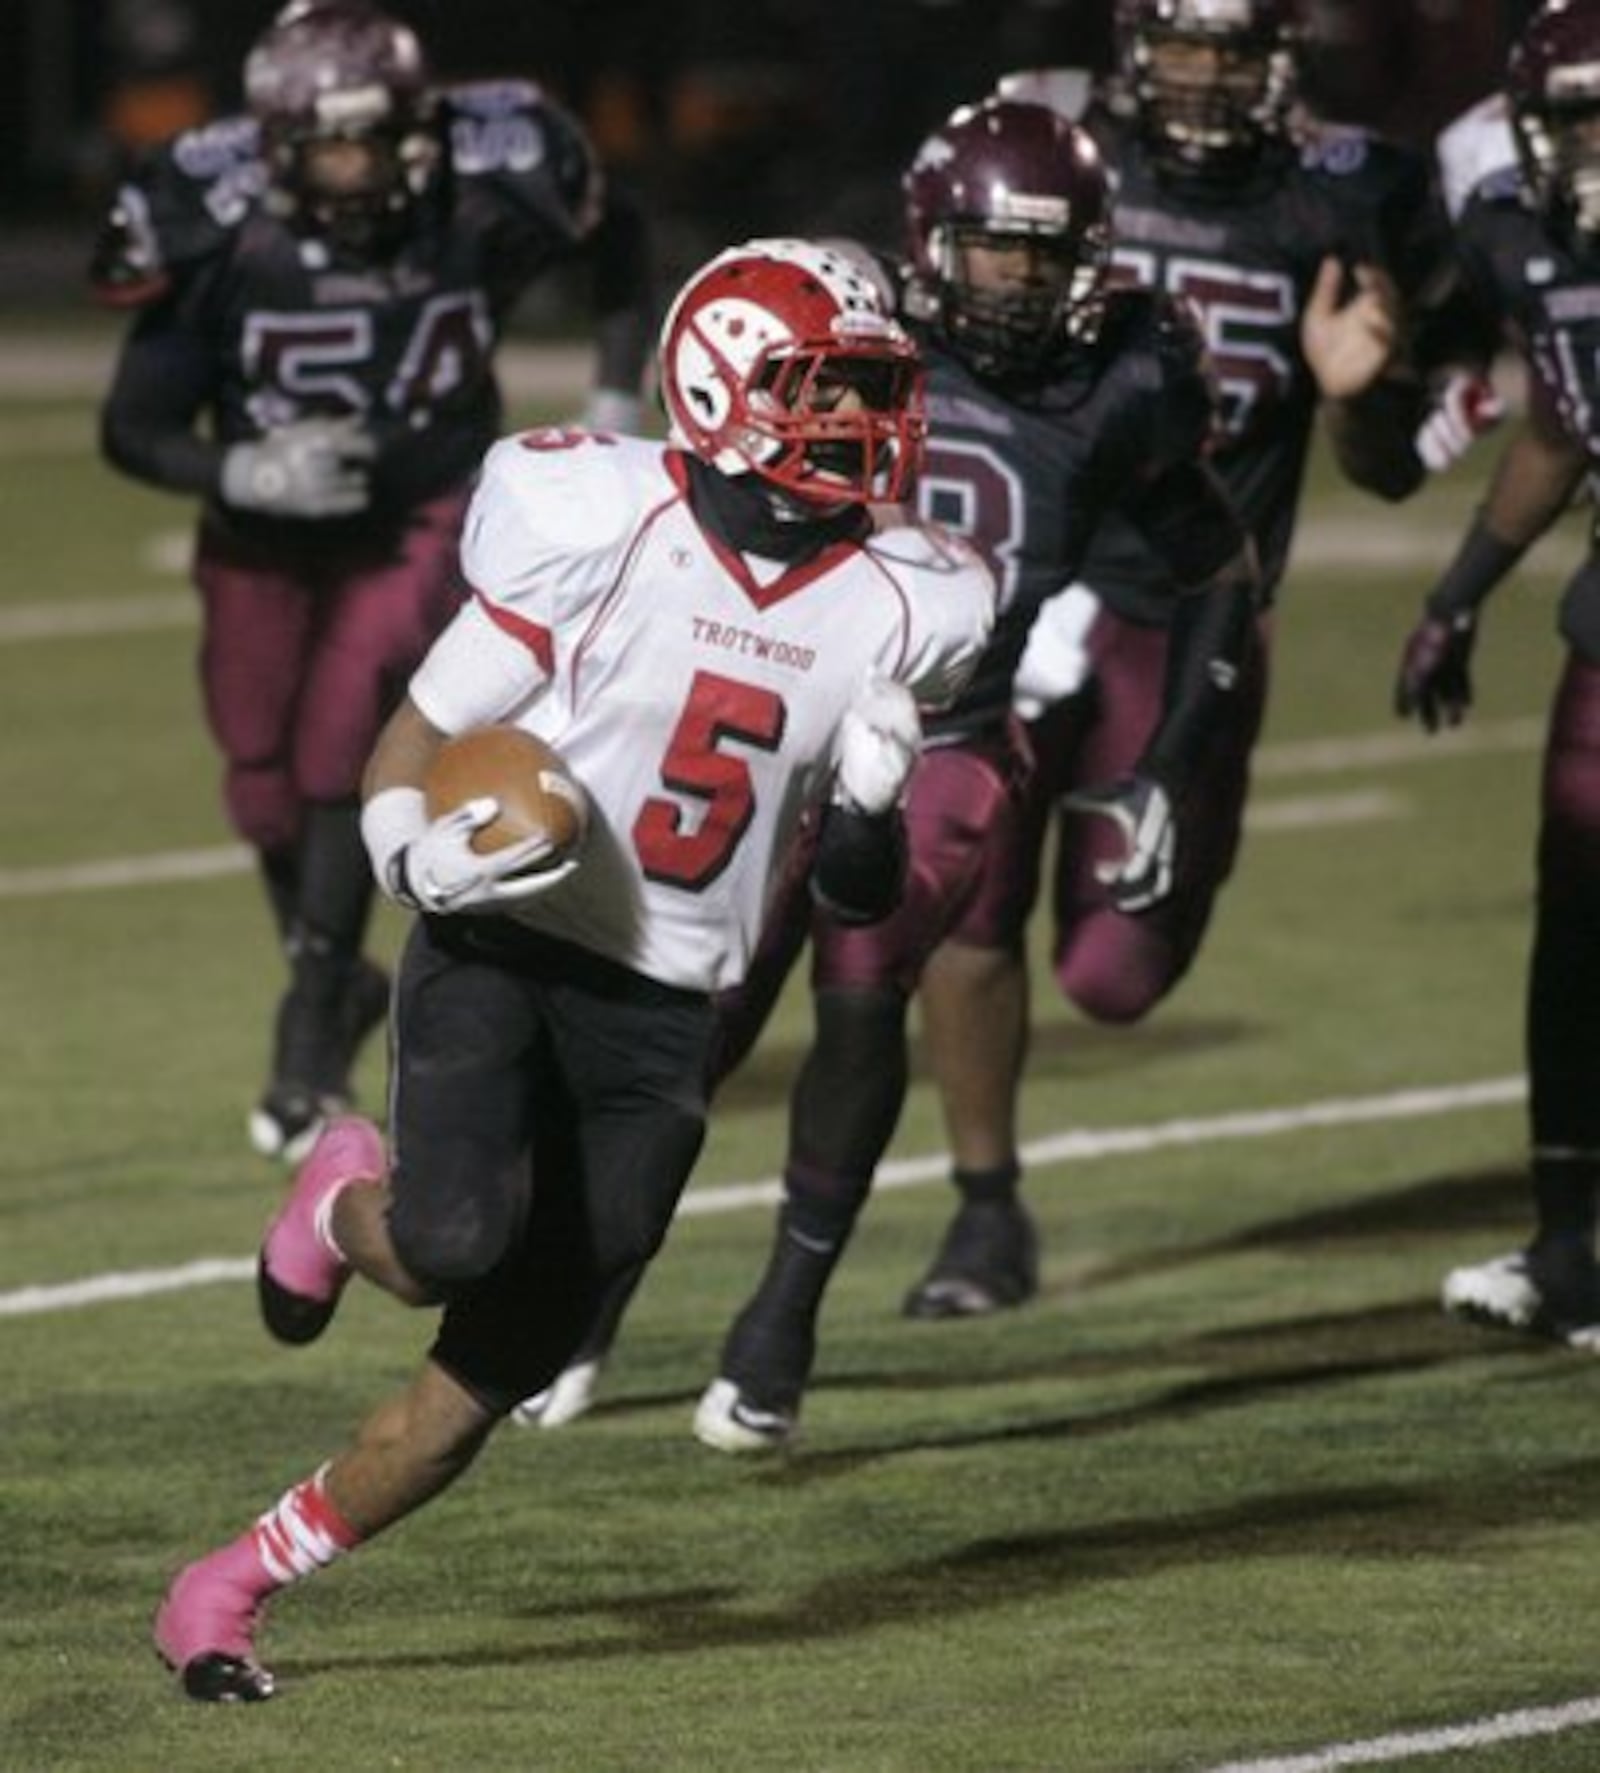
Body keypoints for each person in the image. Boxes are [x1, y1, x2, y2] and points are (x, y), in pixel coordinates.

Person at [150, 236, 996, 1702]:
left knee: (503, 1366)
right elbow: (411, 739)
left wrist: (865, 810)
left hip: (671, 1011)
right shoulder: (598, 517)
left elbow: (857, 900)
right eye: (827, 387)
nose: (868, 423)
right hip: (507, 940)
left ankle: (225, 1587)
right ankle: (342, 1196)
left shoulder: (914, 598)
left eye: (873, 388)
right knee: (454, 1237)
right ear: (722, 387)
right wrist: (417, 856)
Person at [519, 93, 1269, 1443]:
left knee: (862, 994)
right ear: (934, 240)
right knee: (693, 1014)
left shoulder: (1126, 376)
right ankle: (591, 1298)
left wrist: (1172, 757)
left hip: (954, 739)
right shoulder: (851, 331)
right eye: (997, 250)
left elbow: (1217, 564)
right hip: (775, 717)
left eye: (1049, 254)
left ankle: (782, 1320)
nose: (1022, 281)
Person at [899, 0, 1482, 1329]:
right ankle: (986, 1209)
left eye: (1231, 50)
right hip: (1018, 583)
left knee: (1116, 980)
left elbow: (1393, 469)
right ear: (1130, 50)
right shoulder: (1045, 148)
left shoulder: (1345, 194)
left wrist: (1356, 395)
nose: (1204, 78)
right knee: (965, 908)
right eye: (1181, 46)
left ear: (1280, 59)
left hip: (1189, 606)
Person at [92, 0, 655, 1164]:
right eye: (315, 146)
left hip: (427, 501)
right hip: (263, 525)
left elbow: (621, 241)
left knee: (345, 727)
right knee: (258, 781)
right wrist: (235, 462)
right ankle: (336, 973)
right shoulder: (214, 218)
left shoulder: (497, 170)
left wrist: (613, 392)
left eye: (359, 141)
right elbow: (133, 423)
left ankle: (307, 1027)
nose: (340, 172)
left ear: (410, 131)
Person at [1397, 0, 1600, 1348]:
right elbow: (1564, 411)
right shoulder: (1530, 234)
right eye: (1575, 119)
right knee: (1577, 916)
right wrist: (1460, 594)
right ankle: (1571, 1245)